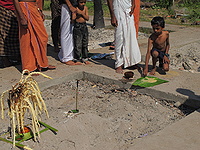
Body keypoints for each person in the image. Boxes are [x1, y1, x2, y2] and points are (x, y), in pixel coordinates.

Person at [12, 0, 56, 72]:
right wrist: (21, 17)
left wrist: (39, 10)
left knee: (42, 37)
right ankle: (29, 67)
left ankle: (42, 63)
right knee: (27, 38)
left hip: (34, 7)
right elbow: (15, 1)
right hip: (25, 7)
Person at [107, 0, 141, 74]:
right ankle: (119, 63)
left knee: (131, 34)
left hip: (128, 7)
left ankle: (130, 61)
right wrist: (112, 15)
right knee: (120, 36)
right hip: (118, 7)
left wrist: (133, 4)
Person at [58, 0, 82, 65]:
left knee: (71, 31)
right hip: (68, 6)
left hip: (74, 6)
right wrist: (70, 6)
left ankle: (69, 55)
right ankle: (66, 57)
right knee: (66, 31)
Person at [0, 0, 20, 67]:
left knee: (13, 33)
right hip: (5, 8)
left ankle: (12, 56)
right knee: (4, 35)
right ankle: (5, 59)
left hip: (12, 7)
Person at [72, 0, 90, 64]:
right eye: (81, 2)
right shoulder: (76, 8)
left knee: (85, 42)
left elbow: (87, 18)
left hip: (84, 25)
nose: (83, 4)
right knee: (78, 43)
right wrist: (75, 15)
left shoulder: (85, 8)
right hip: (77, 26)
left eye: (84, 2)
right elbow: (73, 19)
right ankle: (77, 58)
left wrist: (82, 13)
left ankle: (85, 57)